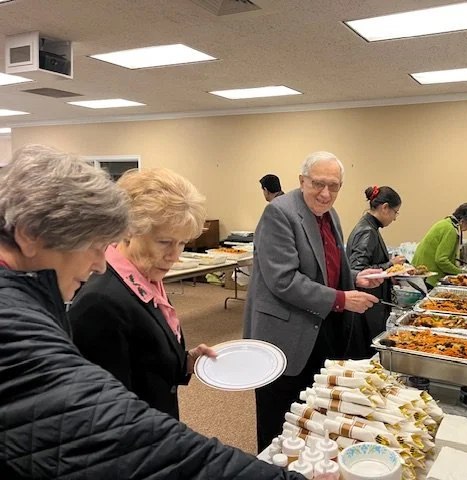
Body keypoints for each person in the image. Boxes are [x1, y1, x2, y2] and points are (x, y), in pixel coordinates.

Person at [0, 144, 303, 479]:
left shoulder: (137, 282)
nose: (99, 263)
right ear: (30, 235)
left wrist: (183, 361)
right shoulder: (88, 306)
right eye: (93, 245)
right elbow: (121, 432)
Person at [244, 151, 384, 451]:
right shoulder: (279, 213)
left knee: (313, 413)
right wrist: (341, 298)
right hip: (284, 333)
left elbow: (327, 266)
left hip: (321, 324)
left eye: (334, 186)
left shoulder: (330, 214)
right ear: (302, 180)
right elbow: (283, 280)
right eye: (318, 184)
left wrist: (356, 278)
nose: (325, 193)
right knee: (279, 421)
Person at [69, 168, 216, 419]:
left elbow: (143, 356)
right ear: (128, 230)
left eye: (182, 243)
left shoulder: (146, 276)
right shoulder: (100, 302)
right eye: (164, 242)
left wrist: (185, 362)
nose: (175, 256)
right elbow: (108, 410)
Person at [346, 185, 405, 340]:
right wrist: (390, 265)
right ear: (385, 208)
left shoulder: (370, 227)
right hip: (367, 306)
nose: (395, 218)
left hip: (370, 303)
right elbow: (357, 270)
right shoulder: (367, 231)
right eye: (395, 212)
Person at [412, 202, 467, 288]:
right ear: (464, 220)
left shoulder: (446, 223)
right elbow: (441, 260)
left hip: (420, 274)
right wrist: (461, 273)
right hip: (428, 277)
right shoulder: (451, 230)